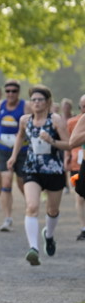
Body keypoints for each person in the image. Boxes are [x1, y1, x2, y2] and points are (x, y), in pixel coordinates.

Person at [7, 85, 70, 266]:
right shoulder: (25, 120)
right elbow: (20, 136)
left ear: (47, 102)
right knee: (32, 206)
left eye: (39, 100)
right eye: (33, 100)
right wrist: (13, 156)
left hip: (53, 169)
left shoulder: (55, 120)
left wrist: (51, 140)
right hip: (32, 168)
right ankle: (33, 249)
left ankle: (48, 236)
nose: (36, 103)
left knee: (52, 210)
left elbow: (68, 144)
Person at [0, 79, 27, 231]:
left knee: (22, 183)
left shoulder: (26, 106)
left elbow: (32, 123)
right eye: (8, 91)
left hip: (22, 150)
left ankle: (31, 208)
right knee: (7, 182)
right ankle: (7, 219)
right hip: (2, 149)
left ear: (18, 92)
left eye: (14, 91)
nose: (10, 94)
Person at [65, 94, 85, 241]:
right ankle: (83, 228)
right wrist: (67, 157)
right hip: (78, 163)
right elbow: (71, 142)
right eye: (83, 106)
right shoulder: (77, 121)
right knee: (80, 196)